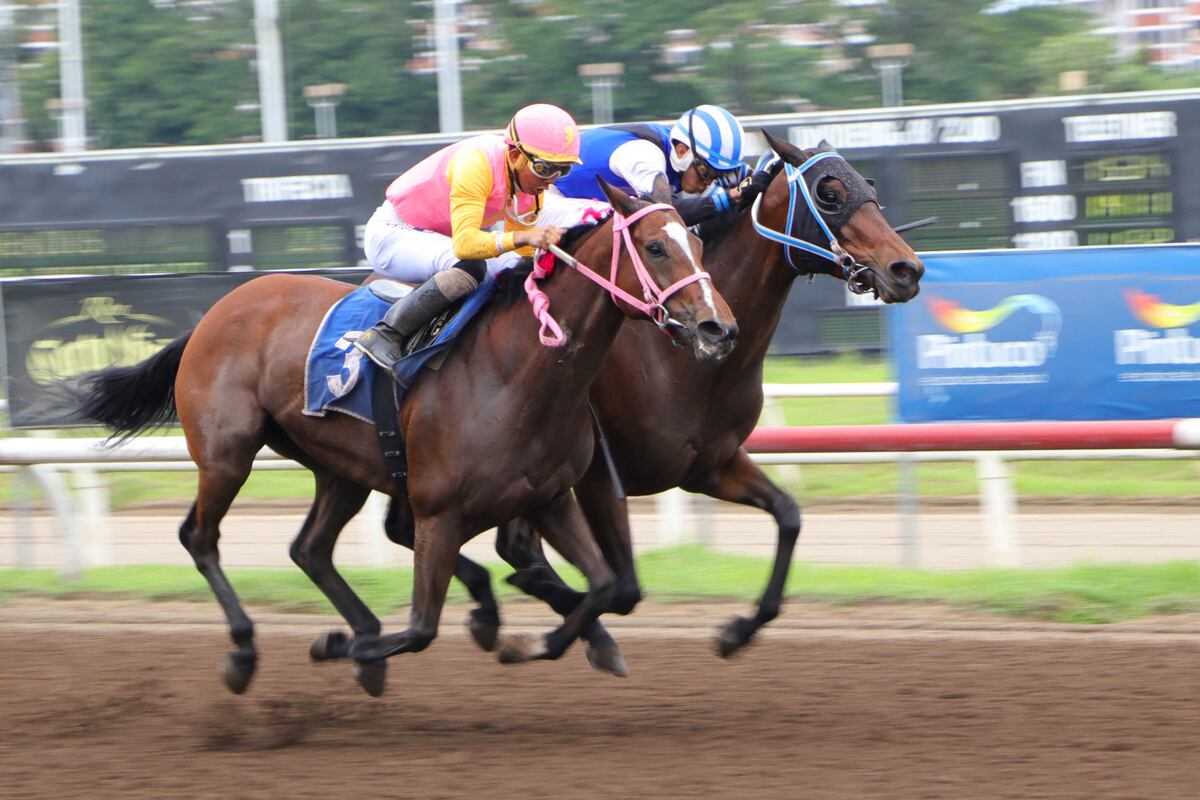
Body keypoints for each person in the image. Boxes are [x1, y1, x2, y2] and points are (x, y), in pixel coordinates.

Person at [355, 103, 586, 372]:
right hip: (393, 234)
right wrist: (524, 238)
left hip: (434, 238)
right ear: (514, 155)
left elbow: (522, 260)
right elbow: (465, 246)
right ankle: (386, 334)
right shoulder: (476, 162)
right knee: (473, 265)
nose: (551, 180)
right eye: (545, 169)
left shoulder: (528, 186)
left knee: (514, 269)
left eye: (563, 170)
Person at [552, 104, 749, 226]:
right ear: (682, 151)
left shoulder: (678, 152)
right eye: (706, 172)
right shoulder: (645, 156)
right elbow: (665, 212)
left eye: (716, 175)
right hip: (551, 196)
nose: (708, 182)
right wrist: (727, 199)